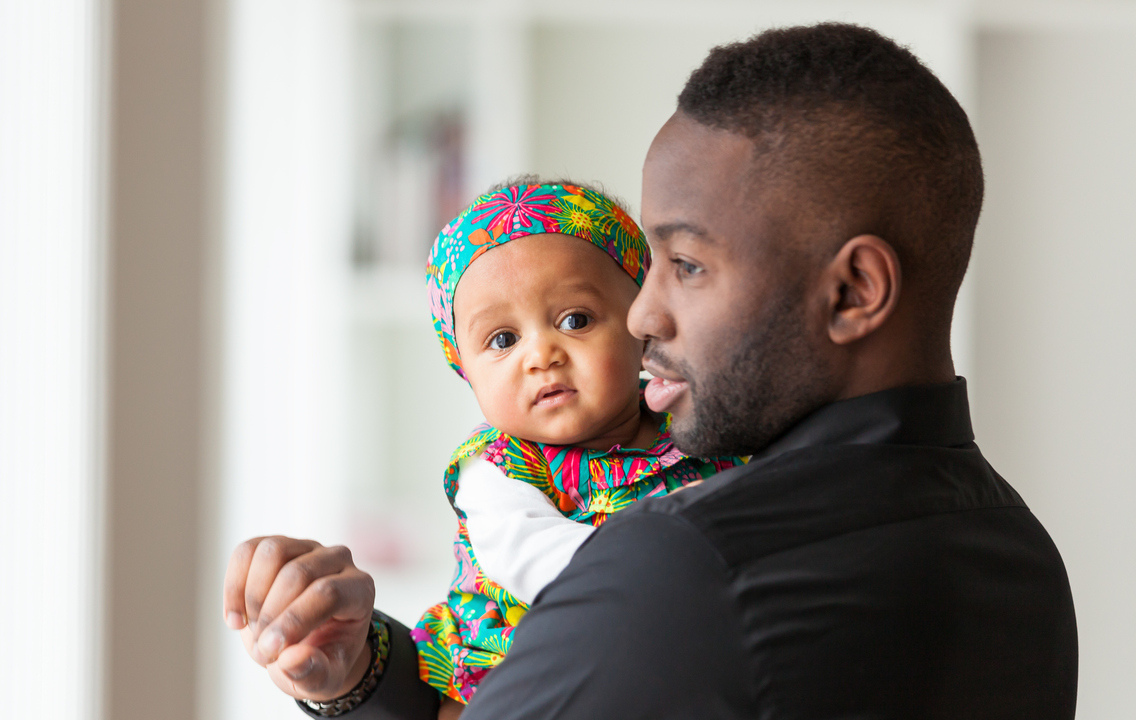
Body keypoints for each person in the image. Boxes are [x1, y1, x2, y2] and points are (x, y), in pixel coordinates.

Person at [222, 23, 1079, 719]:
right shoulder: (1019, 557)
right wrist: (362, 675)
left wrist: (361, 690)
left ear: (854, 290)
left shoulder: (683, 569)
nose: (642, 316)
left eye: (686, 266)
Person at [414, 179, 744, 715]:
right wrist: (677, 574)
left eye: (576, 320)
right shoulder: (495, 468)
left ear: (641, 323)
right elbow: (533, 558)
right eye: (503, 340)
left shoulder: (692, 419)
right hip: (521, 676)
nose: (541, 355)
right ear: (465, 369)